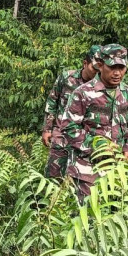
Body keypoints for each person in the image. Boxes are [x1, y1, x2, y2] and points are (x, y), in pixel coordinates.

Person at [56, 44, 128, 201]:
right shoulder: (82, 93)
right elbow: (68, 128)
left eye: (121, 68)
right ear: (101, 66)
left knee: (112, 218)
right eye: (112, 67)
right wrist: (99, 147)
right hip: (87, 172)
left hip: (117, 171)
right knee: (86, 219)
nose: (117, 73)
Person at [42, 45, 102, 178]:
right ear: (85, 63)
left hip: (85, 139)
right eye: (95, 68)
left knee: (81, 181)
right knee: (54, 177)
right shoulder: (67, 78)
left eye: (101, 69)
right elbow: (52, 101)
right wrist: (47, 129)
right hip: (61, 135)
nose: (98, 73)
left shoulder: (101, 87)